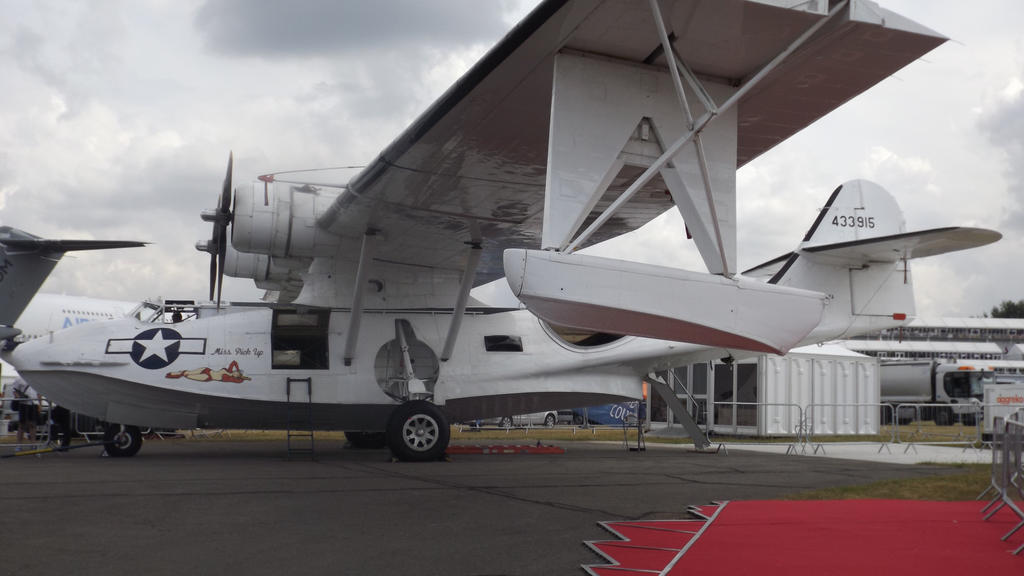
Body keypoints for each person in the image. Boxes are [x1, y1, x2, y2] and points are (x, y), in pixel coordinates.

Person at [11, 378, 40, 446]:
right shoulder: (19, 379)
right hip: (23, 403)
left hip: (34, 403)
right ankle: (19, 444)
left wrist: (40, 404)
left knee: (33, 424)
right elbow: (14, 390)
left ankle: (33, 443)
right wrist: (19, 397)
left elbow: (39, 392)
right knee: (22, 425)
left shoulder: (36, 379)